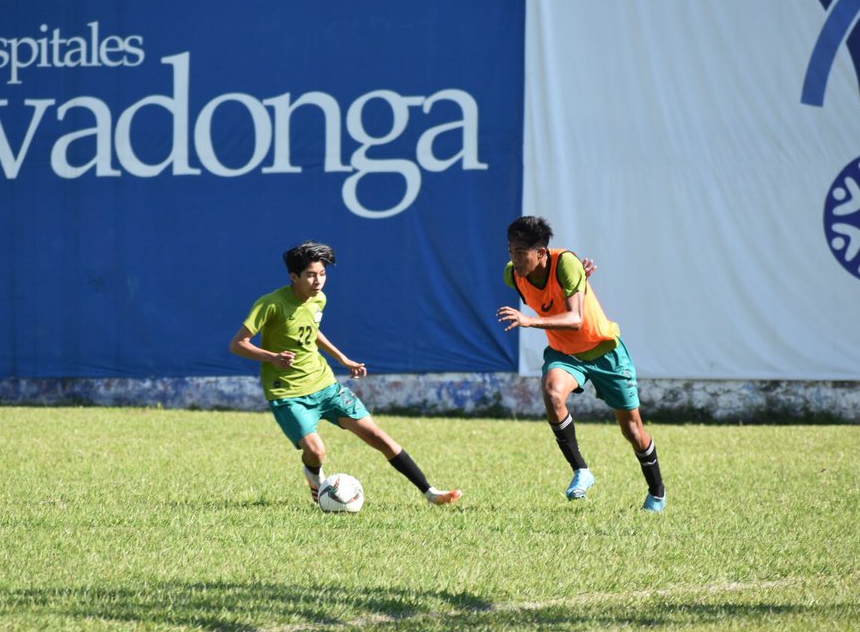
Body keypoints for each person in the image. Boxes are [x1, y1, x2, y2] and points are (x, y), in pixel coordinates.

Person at [231, 241, 463, 507]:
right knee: (316, 451)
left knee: (378, 437)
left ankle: (431, 493)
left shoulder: (319, 299)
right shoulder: (271, 304)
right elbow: (238, 344)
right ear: (294, 277)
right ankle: (313, 474)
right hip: (289, 393)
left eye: (322, 274)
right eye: (310, 275)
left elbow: (311, 329)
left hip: (325, 385)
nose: (318, 281)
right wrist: (272, 357)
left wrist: (342, 358)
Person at [496, 216, 666, 512]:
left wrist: (530, 320)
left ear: (541, 252)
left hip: (604, 351)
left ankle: (657, 493)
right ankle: (581, 471)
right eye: (511, 251)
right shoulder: (513, 275)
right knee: (552, 392)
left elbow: (576, 319)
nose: (515, 259)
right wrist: (576, 284)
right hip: (565, 353)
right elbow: (554, 299)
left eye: (521, 253)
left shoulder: (566, 263)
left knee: (633, 430)